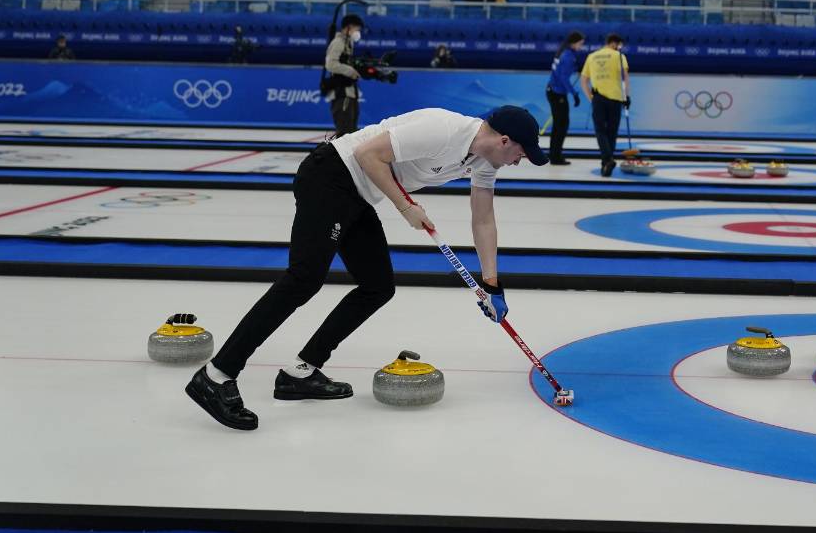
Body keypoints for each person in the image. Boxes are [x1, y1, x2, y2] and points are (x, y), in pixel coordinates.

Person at [185, 105, 548, 431]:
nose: (520, 161)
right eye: (522, 153)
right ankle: (217, 375)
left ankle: (300, 372)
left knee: (377, 286)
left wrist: (492, 284)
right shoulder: (444, 128)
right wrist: (407, 208)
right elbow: (367, 154)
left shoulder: (484, 161)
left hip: (358, 194)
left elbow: (483, 218)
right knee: (304, 279)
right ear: (504, 140)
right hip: (331, 174)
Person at [580, 33, 629, 177]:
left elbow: (584, 81)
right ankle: (608, 160)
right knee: (612, 132)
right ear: (615, 43)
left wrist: (591, 98)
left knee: (600, 131)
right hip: (615, 99)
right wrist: (627, 97)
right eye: (619, 46)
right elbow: (626, 79)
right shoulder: (619, 56)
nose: (619, 48)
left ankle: (606, 161)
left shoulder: (592, 56)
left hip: (598, 98)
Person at [546, 31, 585, 165]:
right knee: (561, 125)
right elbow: (563, 78)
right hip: (557, 93)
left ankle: (554, 154)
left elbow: (565, 69)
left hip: (554, 91)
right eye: (580, 44)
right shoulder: (568, 56)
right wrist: (574, 94)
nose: (581, 46)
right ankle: (555, 156)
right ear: (574, 43)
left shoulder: (565, 51)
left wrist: (577, 67)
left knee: (560, 125)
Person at [324, 14, 364, 137]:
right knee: (344, 131)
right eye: (357, 29)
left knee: (352, 130)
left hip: (350, 92)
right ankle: (338, 156)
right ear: (349, 27)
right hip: (341, 92)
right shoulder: (338, 42)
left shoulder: (348, 43)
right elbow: (330, 64)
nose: (358, 32)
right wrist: (350, 71)